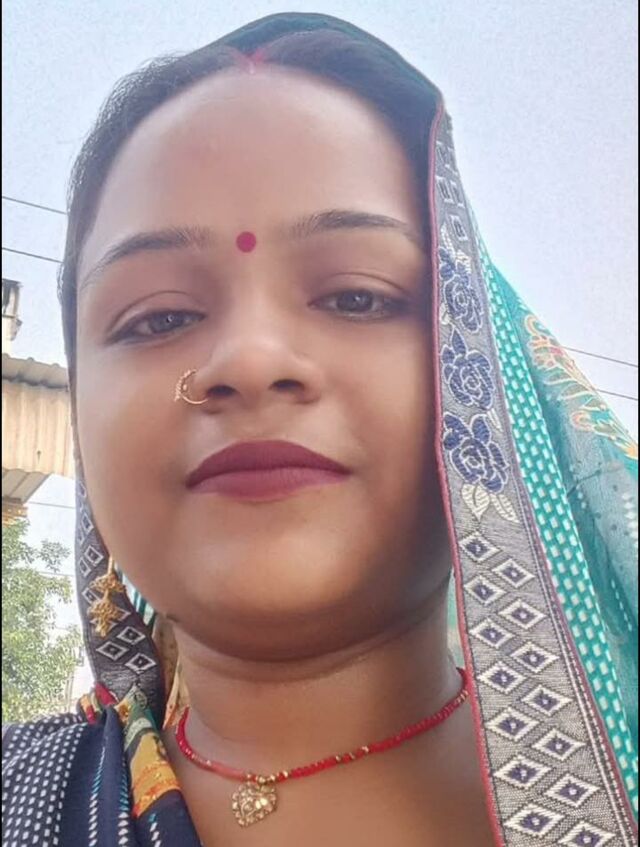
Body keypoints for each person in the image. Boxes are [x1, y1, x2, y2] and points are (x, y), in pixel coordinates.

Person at [2, 12, 637, 847]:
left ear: (480, 367)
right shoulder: (27, 800)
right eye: (160, 317)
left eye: (356, 297)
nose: (251, 359)